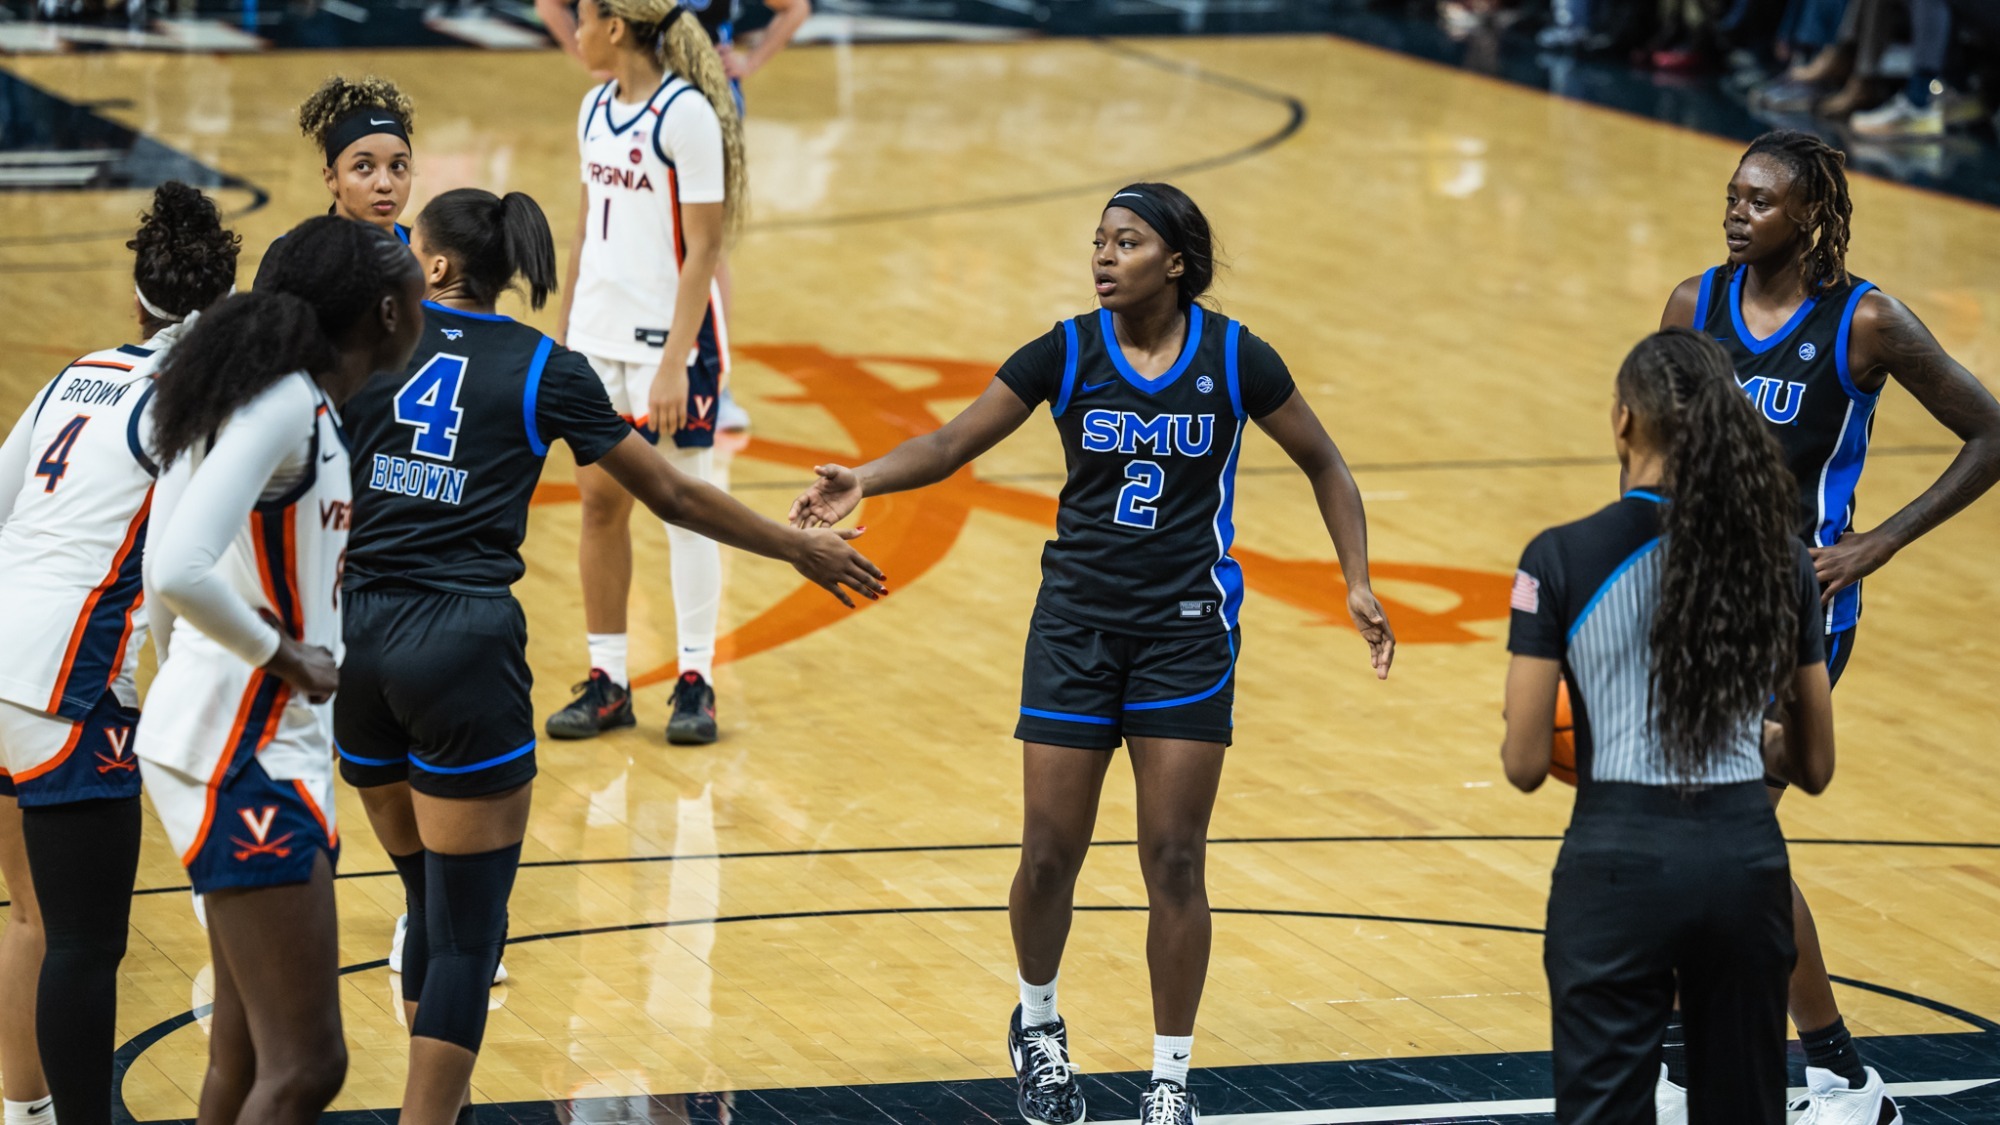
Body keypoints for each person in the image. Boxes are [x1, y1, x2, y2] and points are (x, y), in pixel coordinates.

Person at [789, 183, 1395, 1125]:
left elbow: (1326, 460)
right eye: (1099, 242)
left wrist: (1354, 576)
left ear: (1177, 262)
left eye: (1127, 241)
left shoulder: (1236, 356)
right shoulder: (1066, 349)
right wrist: (860, 477)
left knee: (1177, 858)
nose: (1104, 257)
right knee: (1047, 855)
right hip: (1075, 626)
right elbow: (953, 441)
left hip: (1188, 631)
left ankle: (1169, 1082)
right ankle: (1037, 1025)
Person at [334, 187, 883, 1125]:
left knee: (428, 901)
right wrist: (795, 546)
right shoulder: (548, 364)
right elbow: (671, 493)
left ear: (433, 267)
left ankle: (444, 1108)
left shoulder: (367, 345)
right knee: (469, 935)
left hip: (356, 640)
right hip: (463, 647)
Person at [1660, 128, 2000, 1124]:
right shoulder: (1692, 304)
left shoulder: (1865, 322)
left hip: (1795, 622)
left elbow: (1988, 433)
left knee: (1722, 839)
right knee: (1694, 842)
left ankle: (1836, 1073)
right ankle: (1730, 1072)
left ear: (1808, 214)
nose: (1734, 211)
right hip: (1693, 611)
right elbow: (1651, 450)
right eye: (1730, 194)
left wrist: (1878, 541)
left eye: (1757, 200)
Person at [1503, 327, 1837, 1124]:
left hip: (1616, 866)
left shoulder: (1559, 556)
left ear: (1623, 421)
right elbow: (1814, 763)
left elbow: (1521, 760)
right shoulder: (1782, 558)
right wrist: (1754, 740)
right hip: (1744, 863)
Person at [136, 216, 425, 1125]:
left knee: (245, 1050)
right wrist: (283, 654)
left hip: (224, 738)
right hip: (244, 751)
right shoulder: (284, 408)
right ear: (387, 310)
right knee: (308, 1066)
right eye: (418, 290)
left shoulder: (284, 401)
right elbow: (175, 567)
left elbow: (163, 565)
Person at [0, 182, 237, 1125]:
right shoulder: (196, 403)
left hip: (3, 651)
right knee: (87, 944)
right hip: (70, 686)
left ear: (135, 298)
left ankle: (23, 1109)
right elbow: (180, 568)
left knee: (33, 915)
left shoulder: (77, 374)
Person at [548, 0, 748, 746]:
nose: (573, 29)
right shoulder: (593, 107)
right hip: (597, 343)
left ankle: (696, 677)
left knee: (688, 507)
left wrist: (674, 361)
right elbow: (583, 228)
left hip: (670, 347)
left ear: (617, 27)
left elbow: (704, 248)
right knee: (600, 506)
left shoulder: (686, 114)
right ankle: (608, 680)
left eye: (582, 17)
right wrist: (567, 334)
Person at [252, 74, 417, 291]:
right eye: (363, 167)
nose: (384, 184)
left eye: (397, 166)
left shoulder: (428, 252)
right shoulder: (293, 255)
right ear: (331, 178)